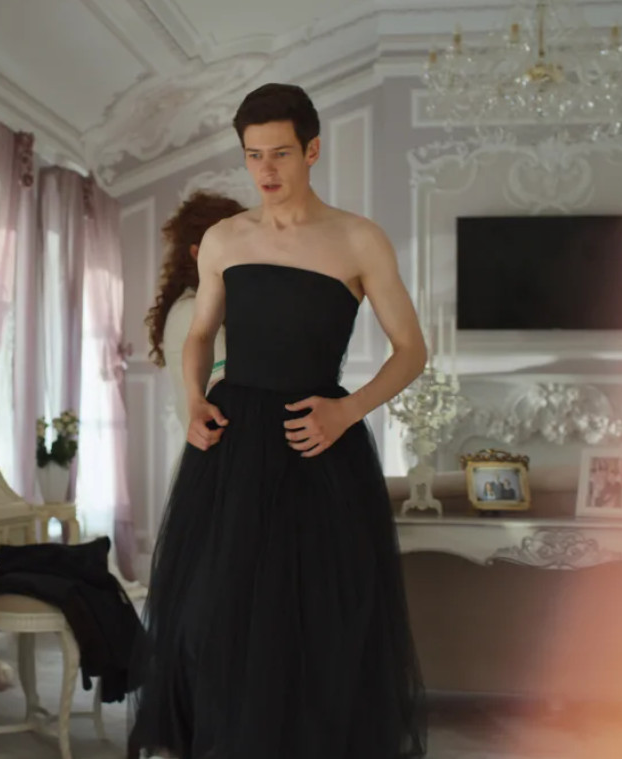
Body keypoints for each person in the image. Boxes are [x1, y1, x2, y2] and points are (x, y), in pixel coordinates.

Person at [128, 83, 429, 758]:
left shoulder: (358, 239)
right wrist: (193, 398)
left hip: (317, 441)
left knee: (321, 622)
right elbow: (198, 335)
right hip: (231, 446)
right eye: (253, 155)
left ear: (312, 150)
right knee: (214, 616)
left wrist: (347, 410)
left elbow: (411, 350)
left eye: (280, 154)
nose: (265, 170)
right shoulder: (223, 239)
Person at [146, 191, 247, 430]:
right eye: (234, 244)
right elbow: (233, 394)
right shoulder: (192, 310)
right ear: (197, 253)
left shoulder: (209, 305)